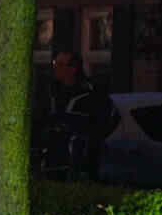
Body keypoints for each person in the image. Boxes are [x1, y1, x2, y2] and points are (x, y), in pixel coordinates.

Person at [35, 49, 114, 177]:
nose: (55, 68)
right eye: (55, 63)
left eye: (60, 64)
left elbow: (100, 125)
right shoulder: (50, 92)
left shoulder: (91, 95)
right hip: (51, 162)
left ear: (73, 68)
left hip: (79, 164)